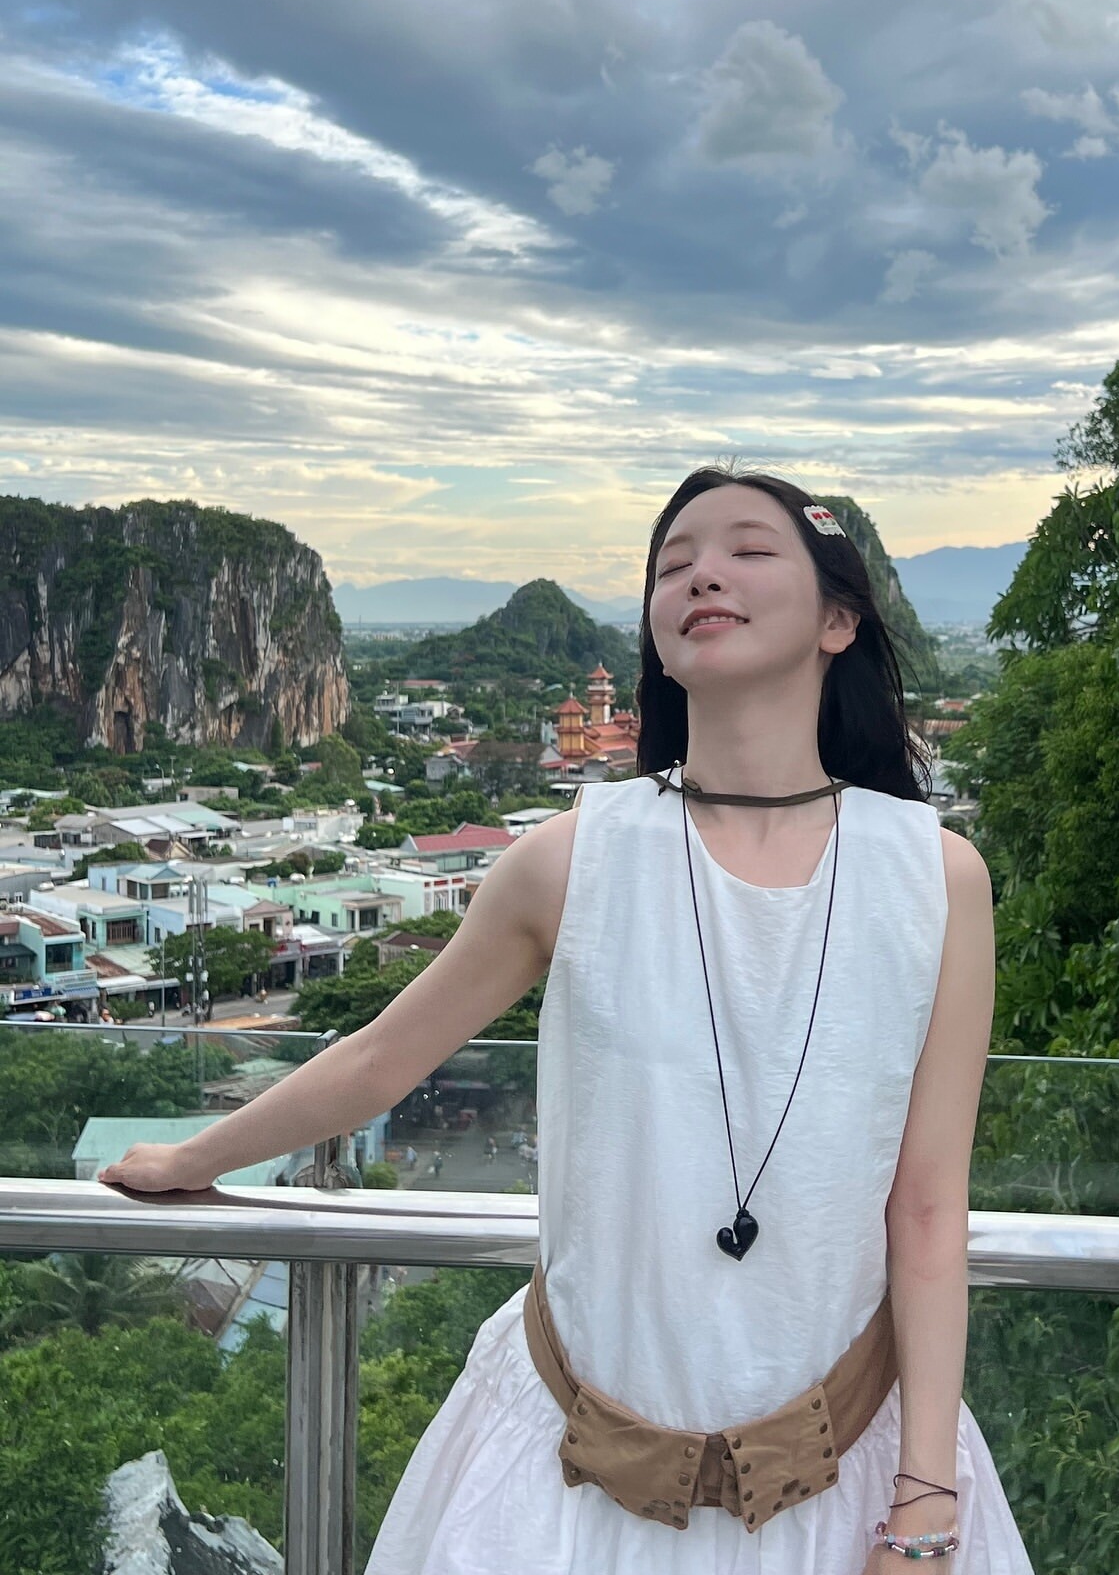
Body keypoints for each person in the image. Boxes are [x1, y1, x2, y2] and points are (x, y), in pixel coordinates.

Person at [98, 466, 1032, 1573]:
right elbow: (384, 1057)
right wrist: (194, 1159)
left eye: (747, 550)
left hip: (845, 1477)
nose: (703, 575)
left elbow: (925, 1206)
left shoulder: (934, 878)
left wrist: (925, 1499)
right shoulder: (574, 857)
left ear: (839, 621)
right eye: (674, 564)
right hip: (565, 1476)